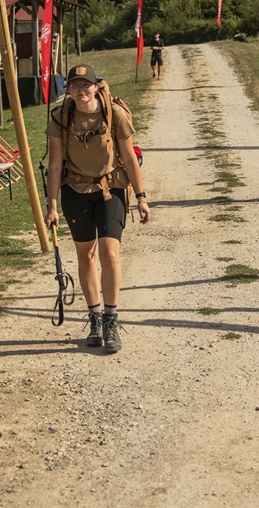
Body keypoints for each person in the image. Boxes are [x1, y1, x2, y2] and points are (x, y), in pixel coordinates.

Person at [44, 64, 150, 354]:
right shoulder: (60, 118)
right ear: (68, 89)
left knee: (110, 253)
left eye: (85, 85)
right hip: (75, 192)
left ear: (95, 86)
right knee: (86, 257)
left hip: (110, 188)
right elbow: (54, 165)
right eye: (75, 85)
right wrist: (51, 205)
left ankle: (111, 320)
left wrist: (141, 196)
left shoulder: (113, 113)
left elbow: (128, 156)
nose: (81, 91)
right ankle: (93, 318)